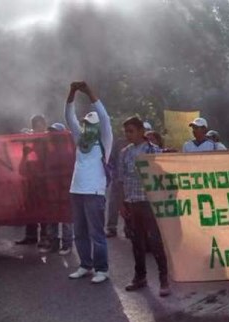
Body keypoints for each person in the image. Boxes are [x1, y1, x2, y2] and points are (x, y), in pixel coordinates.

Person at [65, 81, 113, 284]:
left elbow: (104, 117)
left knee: (96, 233)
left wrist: (90, 93)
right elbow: (69, 117)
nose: (87, 127)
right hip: (76, 190)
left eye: (91, 124)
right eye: (85, 124)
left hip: (94, 191)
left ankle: (102, 269)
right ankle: (85, 265)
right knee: (80, 232)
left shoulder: (104, 139)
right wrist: (72, 93)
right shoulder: (79, 139)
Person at [118, 116, 171, 297]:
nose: (128, 134)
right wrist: (122, 203)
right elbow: (121, 180)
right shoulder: (125, 152)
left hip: (150, 203)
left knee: (155, 241)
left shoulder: (153, 151)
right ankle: (140, 277)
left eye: (131, 131)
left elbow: (164, 177)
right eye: (126, 131)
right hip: (132, 203)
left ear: (141, 131)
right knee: (136, 242)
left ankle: (164, 279)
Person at [15, 114, 49, 246]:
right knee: (30, 207)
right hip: (31, 178)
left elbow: (48, 157)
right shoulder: (30, 139)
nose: (38, 127)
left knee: (43, 208)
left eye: (40, 124)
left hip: (44, 179)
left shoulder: (48, 139)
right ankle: (31, 235)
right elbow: (25, 158)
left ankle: (45, 236)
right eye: (35, 124)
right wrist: (26, 152)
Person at [42, 123, 74, 255]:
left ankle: (67, 244)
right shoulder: (50, 152)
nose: (53, 136)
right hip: (53, 190)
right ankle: (53, 243)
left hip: (65, 190)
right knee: (52, 218)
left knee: (66, 219)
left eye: (55, 133)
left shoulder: (68, 152)